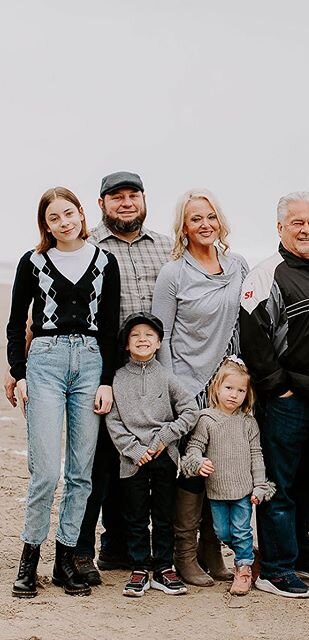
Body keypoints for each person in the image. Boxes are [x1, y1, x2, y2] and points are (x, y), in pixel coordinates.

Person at [7, 187, 120, 598]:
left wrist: (106, 379)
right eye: (54, 218)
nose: (64, 223)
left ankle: (65, 561)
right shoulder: (33, 261)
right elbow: (17, 320)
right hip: (46, 363)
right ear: (46, 224)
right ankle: (29, 560)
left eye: (68, 214)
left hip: (90, 362)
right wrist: (18, 374)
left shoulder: (104, 261)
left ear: (81, 213)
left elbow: (109, 326)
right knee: (46, 473)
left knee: (80, 473)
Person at [239, 191, 309, 598]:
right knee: (280, 487)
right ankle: (275, 566)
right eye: (297, 223)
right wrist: (279, 389)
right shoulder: (267, 273)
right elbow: (253, 338)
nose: (306, 229)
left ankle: (300, 552)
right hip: (288, 401)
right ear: (280, 227)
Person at [72, 171, 173, 586]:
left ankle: (123, 547)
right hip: (100, 366)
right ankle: (82, 550)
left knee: (145, 457)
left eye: (133, 195)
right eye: (117, 197)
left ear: (144, 200)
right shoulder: (87, 246)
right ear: (101, 204)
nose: (126, 202)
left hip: (155, 372)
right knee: (96, 461)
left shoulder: (167, 247)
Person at [152, 188, 248, 585]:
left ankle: (212, 550)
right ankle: (186, 555)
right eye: (196, 219)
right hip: (188, 386)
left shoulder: (238, 264)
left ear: (219, 220)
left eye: (210, 216)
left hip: (226, 388)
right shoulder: (174, 273)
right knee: (191, 471)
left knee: (220, 468)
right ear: (184, 228)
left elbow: (247, 322)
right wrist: (174, 393)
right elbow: (163, 336)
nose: (205, 224)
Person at [107, 312, 198, 597]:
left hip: (163, 457)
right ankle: (138, 568)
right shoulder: (117, 379)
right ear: (126, 344)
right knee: (135, 516)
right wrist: (134, 450)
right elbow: (113, 419)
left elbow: (190, 411)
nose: (143, 339)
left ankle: (163, 567)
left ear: (159, 342)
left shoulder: (167, 376)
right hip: (131, 460)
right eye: (136, 335)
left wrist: (164, 439)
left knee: (163, 515)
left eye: (149, 335)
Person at [182, 357, 276, 596]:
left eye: (241, 390)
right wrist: (198, 462)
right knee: (223, 532)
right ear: (216, 387)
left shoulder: (248, 422)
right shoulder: (207, 419)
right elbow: (193, 448)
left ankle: (243, 569)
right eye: (229, 388)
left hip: (243, 491)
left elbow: (256, 455)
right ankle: (250, 555)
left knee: (242, 530)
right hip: (217, 491)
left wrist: (260, 486)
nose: (234, 395)